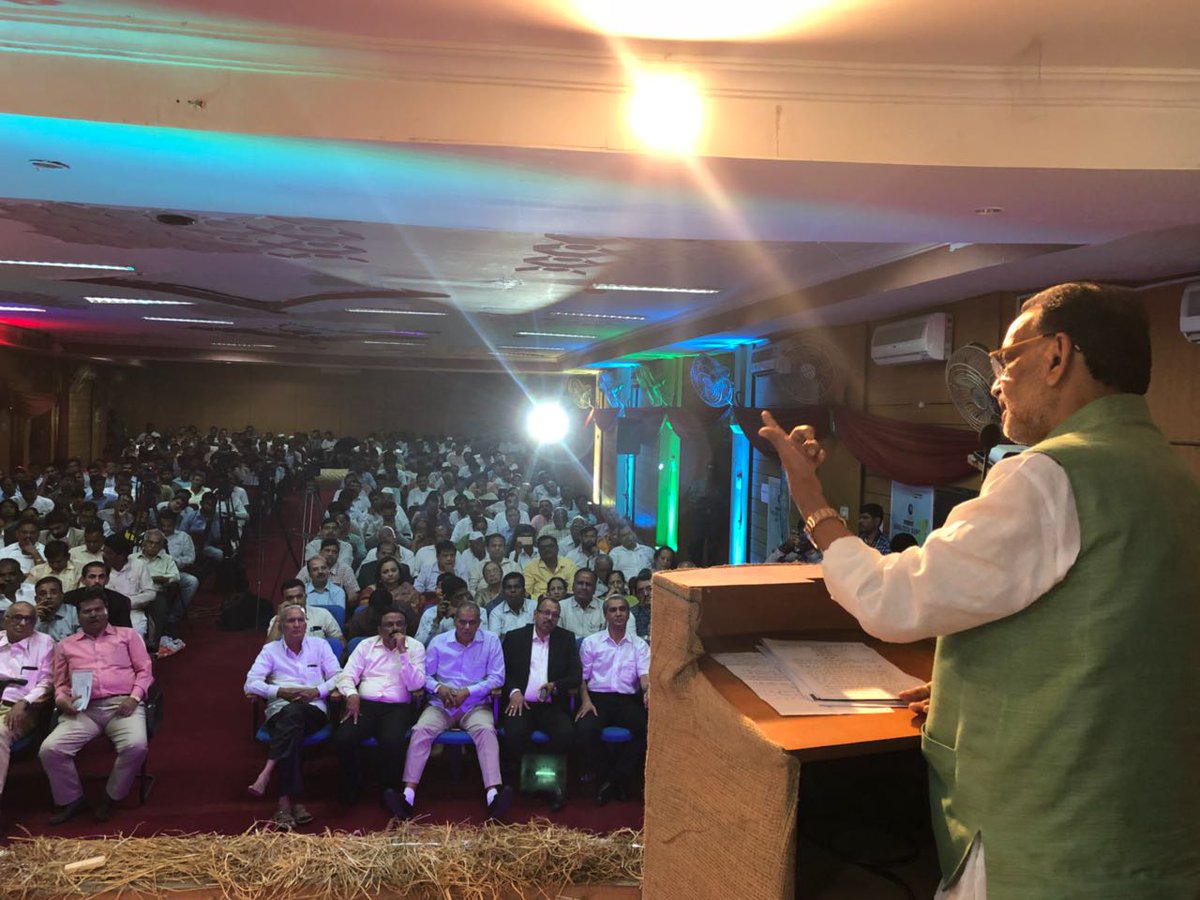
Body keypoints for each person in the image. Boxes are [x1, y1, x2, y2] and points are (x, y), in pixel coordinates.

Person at [758, 281, 1200, 899]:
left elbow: (890, 600)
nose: (995, 384)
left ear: (1056, 355)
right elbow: (1113, 635)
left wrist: (810, 498)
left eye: (1006, 358)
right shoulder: (1170, 471)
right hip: (1144, 828)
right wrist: (967, 687)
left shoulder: (1048, 475)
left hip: (1048, 832)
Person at [40, 591, 154, 824]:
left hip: (122, 704)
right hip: (83, 710)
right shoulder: (65, 645)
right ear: (78, 615)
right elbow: (60, 684)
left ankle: (111, 797)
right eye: (87, 611)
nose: (93, 615)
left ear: (106, 611)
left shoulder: (128, 636)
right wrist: (62, 700)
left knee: (136, 745)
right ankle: (73, 799)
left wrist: (134, 698)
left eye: (98, 610)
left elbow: (145, 671)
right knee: (50, 749)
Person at [395, 601, 511, 820]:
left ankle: (493, 795)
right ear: (454, 621)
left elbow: (498, 677)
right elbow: (425, 676)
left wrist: (469, 691)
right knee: (421, 730)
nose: (467, 627)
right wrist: (439, 689)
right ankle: (408, 795)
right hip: (442, 704)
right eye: (462, 622)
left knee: (487, 731)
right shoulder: (439, 642)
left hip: (475, 704)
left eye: (472, 622)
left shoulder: (491, 641)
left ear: (479, 623)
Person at [244, 603, 341, 829]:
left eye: (300, 620)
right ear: (280, 626)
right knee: (292, 721)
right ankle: (292, 800)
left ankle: (271, 778)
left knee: (294, 715)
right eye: (290, 621)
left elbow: (338, 675)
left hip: (313, 709)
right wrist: (280, 691)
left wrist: (317, 691)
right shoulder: (270, 651)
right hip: (280, 708)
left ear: (306, 624)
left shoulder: (320, 645)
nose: (296, 625)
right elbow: (250, 683)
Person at [334, 606, 425, 809]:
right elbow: (346, 675)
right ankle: (353, 783)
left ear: (406, 627)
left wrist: (403, 652)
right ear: (379, 629)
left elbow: (416, 685)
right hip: (365, 704)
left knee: (392, 741)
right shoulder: (366, 645)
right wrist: (352, 694)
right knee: (343, 738)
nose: (394, 629)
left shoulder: (415, 647)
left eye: (399, 624)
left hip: (397, 707)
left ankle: (388, 791)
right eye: (389, 625)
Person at [500, 597, 580, 810]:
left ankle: (550, 784)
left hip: (551, 706)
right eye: (545, 613)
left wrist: (555, 685)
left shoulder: (566, 639)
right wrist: (514, 692)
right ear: (535, 614)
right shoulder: (515, 637)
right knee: (514, 733)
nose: (549, 618)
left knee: (565, 733)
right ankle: (526, 780)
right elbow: (501, 671)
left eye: (555, 615)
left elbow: (576, 676)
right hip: (521, 703)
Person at [576, 593, 650, 806]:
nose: (618, 613)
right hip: (596, 699)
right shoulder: (591, 642)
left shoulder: (639, 645)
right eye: (613, 610)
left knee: (647, 730)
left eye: (622, 609)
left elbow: (644, 677)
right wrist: (585, 701)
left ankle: (614, 779)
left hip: (627, 700)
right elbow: (582, 678)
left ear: (628, 614)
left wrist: (648, 691)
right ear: (605, 615)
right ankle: (611, 779)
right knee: (584, 729)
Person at [0, 600, 55, 821]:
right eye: (17, 618)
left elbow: (47, 682)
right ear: (5, 620)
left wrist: (25, 702)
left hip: (21, 709)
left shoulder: (44, 642)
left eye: (29, 619)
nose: (23, 623)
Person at [266, 581, 343, 642]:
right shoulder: (277, 620)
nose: (295, 601)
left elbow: (340, 643)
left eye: (299, 597)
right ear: (284, 600)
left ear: (305, 597)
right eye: (290, 598)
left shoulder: (323, 614)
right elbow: (268, 651)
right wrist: (279, 619)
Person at [523, 534, 576, 601]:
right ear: (539, 551)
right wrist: (543, 600)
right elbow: (526, 593)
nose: (547, 549)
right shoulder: (530, 568)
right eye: (543, 547)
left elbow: (572, 592)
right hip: (538, 604)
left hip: (565, 604)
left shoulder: (569, 565)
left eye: (550, 546)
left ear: (557, 548)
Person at [487, 570, 537, 637]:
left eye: (517, 587)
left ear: (524, 590)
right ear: (503, 592)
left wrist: (507, 636)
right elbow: (495, 640)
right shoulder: (496, 613)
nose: (513, 590)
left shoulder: (535, 606)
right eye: (508, 587)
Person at [559, 568, 604, 639]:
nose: (584, 587)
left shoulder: (604, 608)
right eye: (580, 583)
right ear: (573, 586)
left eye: (588, 584)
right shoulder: (561, 607)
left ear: (595, 589)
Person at [34, 575, 78, 642]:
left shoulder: (75, 613)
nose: (48, 596)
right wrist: (32, 619)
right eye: (43, 594)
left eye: (53, 592)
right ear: (36, 599)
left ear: (62, 595)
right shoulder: (31, 617)